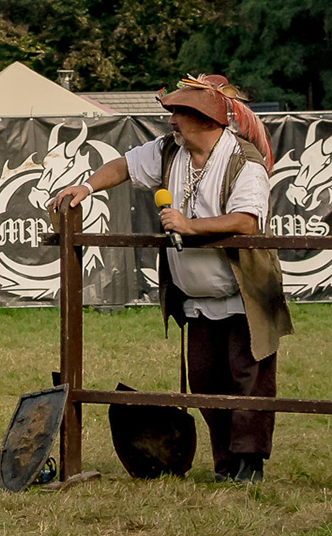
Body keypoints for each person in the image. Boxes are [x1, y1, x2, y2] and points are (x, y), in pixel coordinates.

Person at [49, 74, 290, 483]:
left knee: (248, 383)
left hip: (244, 295)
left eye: (180, 113)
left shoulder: (243, 161)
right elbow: (124, 166)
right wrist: (86, 186)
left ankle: (250, 466)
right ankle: (226, 464)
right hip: (198, 297)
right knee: (206, 382)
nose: (172, 121)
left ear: (206, 119)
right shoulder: (167, 151)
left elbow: (247, 221)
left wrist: (189, 226)